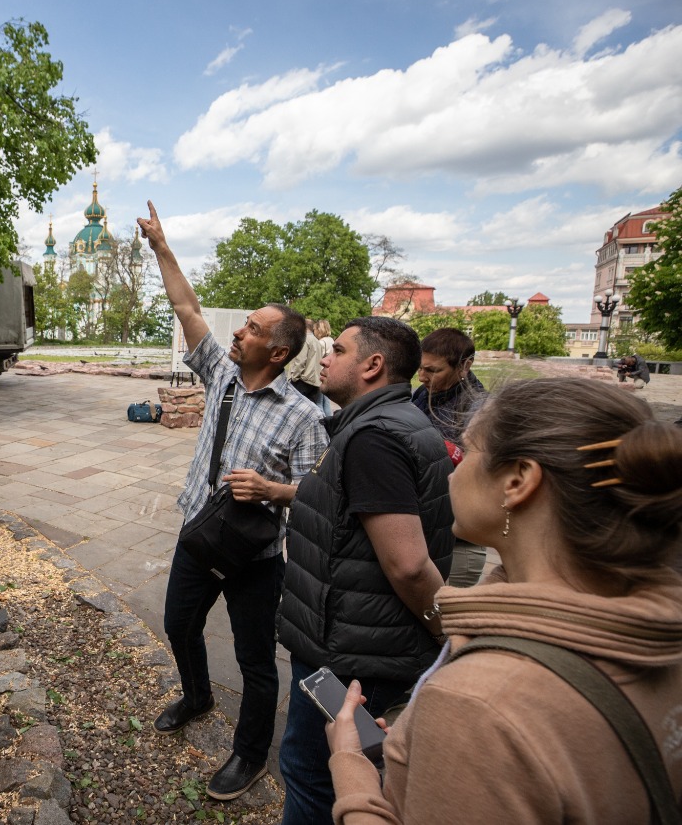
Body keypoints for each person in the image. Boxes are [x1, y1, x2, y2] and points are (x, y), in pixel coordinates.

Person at [326, 378, 682, 824]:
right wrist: (435, 749)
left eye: (469, 451)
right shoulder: (659, 637)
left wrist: (351, 767)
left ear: (517, 481)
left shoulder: (479, 702)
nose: (454, 472)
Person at [137, 201, 329, 801]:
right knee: (178, 623)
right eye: (241, 324)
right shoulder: (220, 378)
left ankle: (248, 755)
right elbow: (186, 307)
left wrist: (275, 490)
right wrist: (163, 248)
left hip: (256, 555)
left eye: (250, 328)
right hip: (200, 532)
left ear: (277, 351)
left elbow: (316, 498)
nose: (237, 332)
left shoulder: (305, 416)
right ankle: (196, 696)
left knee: (254, 659)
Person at [277, 316, 455, 825]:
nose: (324, 357)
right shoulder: (389, 422)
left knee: (316, 770)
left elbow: (409, 564)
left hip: (353, 652)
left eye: (337, 349)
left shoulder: (373, 437)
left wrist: (447, 636)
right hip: (361, 638)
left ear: (373, 365)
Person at [410, 328, 488, 587]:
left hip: (458, 545)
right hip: (423, 532)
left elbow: (483, 475)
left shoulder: (480, 408)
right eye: (420, 368)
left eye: (433, 371)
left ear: (465, 366)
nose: (422, 377)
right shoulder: (422, 395)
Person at [286, 321, 325, 404]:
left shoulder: (305, 340)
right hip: (315, 381)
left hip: (303, 381)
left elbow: (300, 361)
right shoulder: (316, 341)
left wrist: (294, 377)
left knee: (295, 407)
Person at [312, 320, 334, 418]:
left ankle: (321, 422)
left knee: (318, 402)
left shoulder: (321, 343)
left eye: (315, 329)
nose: (314, 331)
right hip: (330, 372)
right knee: (326, 401)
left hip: (320, 373)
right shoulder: (331, 340)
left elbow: (317, 359)